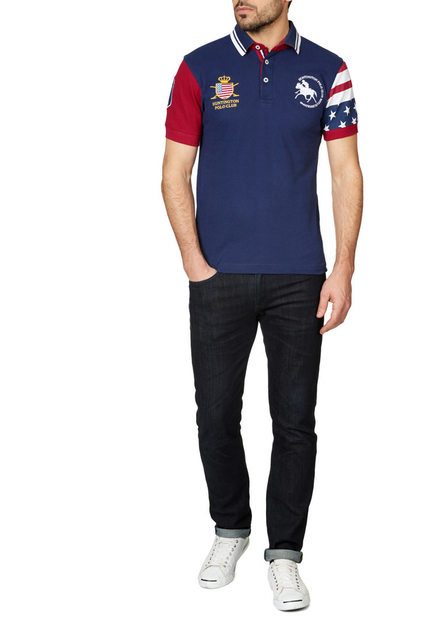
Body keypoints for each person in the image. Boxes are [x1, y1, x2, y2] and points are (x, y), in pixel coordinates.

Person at [161, 0, 363, 611]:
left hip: (300, 277)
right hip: (218, 275)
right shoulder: (198, 68)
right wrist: (195, 263)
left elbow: (346, 171)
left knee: (295, 421)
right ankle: (230, 529)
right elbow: (174, 172)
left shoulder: (329, 69)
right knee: (216, 415)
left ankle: (285, 553)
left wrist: (343, 267)